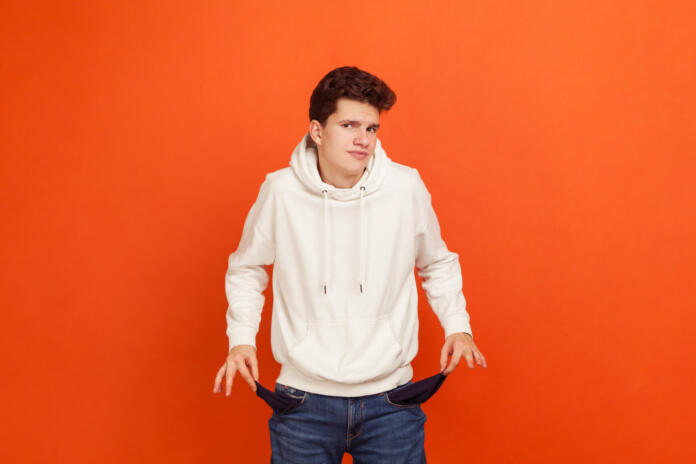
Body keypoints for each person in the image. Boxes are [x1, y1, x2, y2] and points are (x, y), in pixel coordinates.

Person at [213, 65, 487, 463]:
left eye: (372, 129)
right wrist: (241, 337)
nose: (363, 140)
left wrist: (458, 326)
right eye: (350, 125)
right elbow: (246, 268)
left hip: (390, 401)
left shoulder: (405, 187)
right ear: (317, 131)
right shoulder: (280, 191)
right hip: (303, 402)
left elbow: (437, 262)